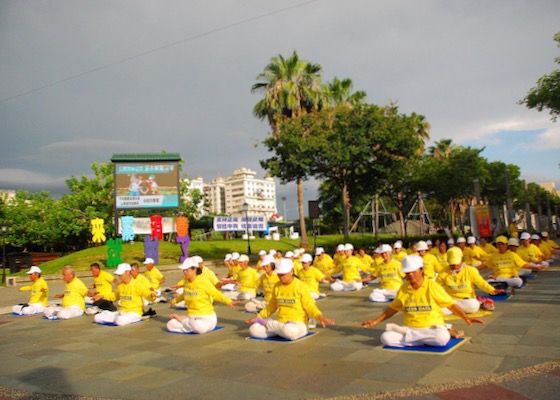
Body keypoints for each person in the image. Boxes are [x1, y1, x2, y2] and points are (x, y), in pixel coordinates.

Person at [361, 255, 484, 347]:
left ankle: (411, 339)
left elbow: (450, 305)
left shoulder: (432, 286)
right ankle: (418, 339)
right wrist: (375, 322)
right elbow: (393, 308)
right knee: (386, 338)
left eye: (413, 272)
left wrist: (465, 317)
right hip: (411, 327)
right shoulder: (404, 288)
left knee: (441, 337)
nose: (411, 275)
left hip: (431, 328)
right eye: (407, 273)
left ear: (421, 270)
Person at [246, 258, 335, 340]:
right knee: (254, 330)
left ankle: (268, 324)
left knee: (290, 332)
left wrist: (319, 316)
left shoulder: (300, 286)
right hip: (281, 323)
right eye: (279, 274)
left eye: (283, 274)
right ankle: (272, 326)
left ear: (292, 271)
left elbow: (310, 306)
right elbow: (271, 307)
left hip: (297, 324)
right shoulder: (277, 286)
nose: (281, 277)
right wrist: (258, 316)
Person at [168, 258, 241, 334]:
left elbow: (216, 293)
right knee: (170, 325)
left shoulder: (204, 281)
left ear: (194, 269)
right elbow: (185, 294)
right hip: (191, 317)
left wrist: (229, 302)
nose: (185, 272)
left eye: (187, 270)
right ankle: (187, 324)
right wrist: (174, 301)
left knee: (199, 327)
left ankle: (182, 320)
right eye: (184, 270)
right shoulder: (186, 282)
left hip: (206, 317)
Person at [436, 247, 503, 314]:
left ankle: (459, 308)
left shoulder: (470, 270)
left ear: (462, 260)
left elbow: (480, 282)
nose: (455, 267)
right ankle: (459, 308)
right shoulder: (443, 271)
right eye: (452, 265)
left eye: (457, 264)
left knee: (473, 305)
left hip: (467, 300)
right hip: (450, 300)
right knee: (437, 309)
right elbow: (436, 286)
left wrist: (492, 290)